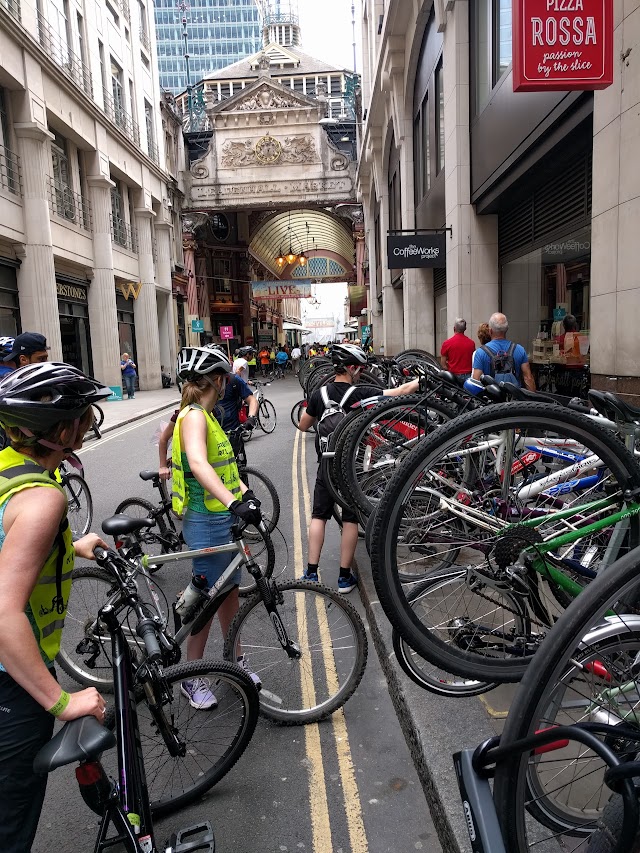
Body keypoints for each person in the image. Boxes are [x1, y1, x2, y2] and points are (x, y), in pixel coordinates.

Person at [0, 362, 111, 851]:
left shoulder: (8, 466)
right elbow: (4, 614)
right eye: (84, 416)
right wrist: (62, 701)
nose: (89, 424)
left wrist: (71, 544)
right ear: (61, 429)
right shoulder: (44, 501)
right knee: (11, 823)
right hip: (10, 687)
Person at [171, 346, 262, 708]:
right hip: (206, 521)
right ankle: (190, 676)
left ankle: (235, 661)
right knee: (207, 603)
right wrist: (232, 502)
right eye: (225, 379)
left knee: (231, 595)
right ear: (218, 380)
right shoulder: (193, 416)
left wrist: (246, 493)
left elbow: (225, 469)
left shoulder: (209, 416)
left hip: (222, 520)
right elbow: (198, 463)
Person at [297, 343, 420, 593]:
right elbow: (400, 392)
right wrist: (422, 380)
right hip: (351, 468)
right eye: (360, 369)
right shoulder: (361, 393)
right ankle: (344, 578)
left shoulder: (319, 395)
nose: (362, 373)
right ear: (351, 368)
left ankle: (311, 573)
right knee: (350, 518)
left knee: (318, 516)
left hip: (326, 464)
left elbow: (302, 425)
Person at [471, 312, 535, 390]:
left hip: (493, 400)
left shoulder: (481, 352)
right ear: (506, 329)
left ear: (490, 331)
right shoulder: (519, 349)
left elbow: (475, 382)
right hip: (515, 399)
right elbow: (528, 378)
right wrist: (532, 400)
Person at [440, 318, 475, 383]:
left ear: (454, 328)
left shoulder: (447, 343)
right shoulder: (471, 343)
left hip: (453, 377)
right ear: (465, 329)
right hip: (469, 376)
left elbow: (443, 364)